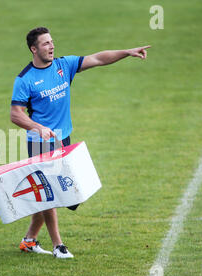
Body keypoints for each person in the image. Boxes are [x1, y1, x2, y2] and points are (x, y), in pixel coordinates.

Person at [10, 27, 150, 258]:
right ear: (34, 49)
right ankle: (58, 245)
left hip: (63, 138)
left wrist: (127, 51)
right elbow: (16, 114)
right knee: (50, 194)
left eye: (52, 41)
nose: (51, 46)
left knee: (68, 196)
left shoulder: (63, 66)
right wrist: (39, 128)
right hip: (40, 142)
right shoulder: (25, 79)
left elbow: (97, 58)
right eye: (45, 43)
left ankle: (29, 240)